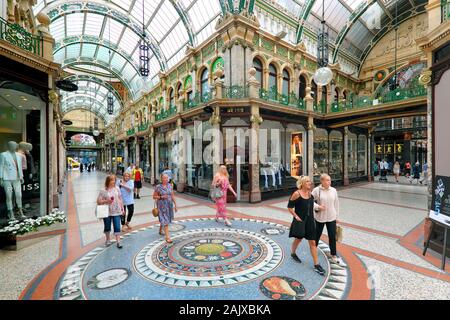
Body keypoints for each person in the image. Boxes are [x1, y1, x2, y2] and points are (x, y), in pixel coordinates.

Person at [288, 176, 326, 276]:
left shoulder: (310, 194)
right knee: (298, 239)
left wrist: (319, 208)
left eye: (310, 181)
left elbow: (311, 205)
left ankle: (316, 265)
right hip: (300, 221)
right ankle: (293, 253)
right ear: (302, 183)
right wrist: (296, 216)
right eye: (308, 181)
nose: (310, 183)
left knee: (313, 243)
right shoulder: (297, 194)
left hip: (310, 222)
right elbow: (290, 207)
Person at [312, 174, 341, 264]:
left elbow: (336, 204)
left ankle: (333, 254)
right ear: (322, 181)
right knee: (317, 235)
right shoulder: (317, 190)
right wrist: (318, 207)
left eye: (330, 180)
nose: (329, 182)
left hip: (331, 217)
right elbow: (310, 201)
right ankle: (313, 249)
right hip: (320, 217)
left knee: (332, 236)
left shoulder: (333, 190)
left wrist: (337, 217)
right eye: (327, 180)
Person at [97, 175, 125, 248]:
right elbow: (98, 201)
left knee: (117, 226)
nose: (114, 181)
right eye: (112, 180)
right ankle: (108, 240)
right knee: (107, 226)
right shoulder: (103, 190)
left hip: (116, 210)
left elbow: (120, 199)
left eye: (114, 180)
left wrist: (122, 209)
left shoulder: (117, 188)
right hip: (107, 211)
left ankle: (118, 241)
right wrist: (106, 201)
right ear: (108, 181)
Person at [153, 173, 178, 243]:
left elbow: (172, 195)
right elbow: (154, 196)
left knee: (165, 219)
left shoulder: (170, 186)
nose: (166, 179)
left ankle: (160, 230)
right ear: (161, 179)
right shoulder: (158, 187)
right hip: (161, 206)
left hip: (169, 206)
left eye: (167, 178)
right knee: (166, 221)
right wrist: (161, 197)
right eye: (164, 178)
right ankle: (168, 237)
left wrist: (175, 205)